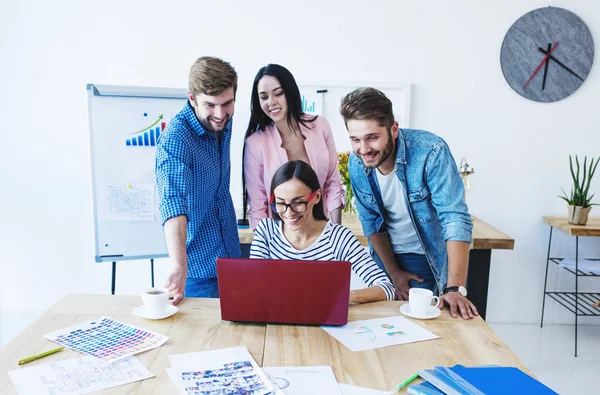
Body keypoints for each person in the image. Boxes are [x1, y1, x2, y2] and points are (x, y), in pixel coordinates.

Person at [339, 87, 477, 319]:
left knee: (432, 327)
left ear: (393, 129)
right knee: (382, 327)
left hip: (428, 255)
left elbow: (454, 217)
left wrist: (454, 288)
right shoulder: (356, 162)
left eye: (372, 137)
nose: (364, 149)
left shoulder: (431, 152)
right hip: (386, 257)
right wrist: (393, 273)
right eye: (355, 140)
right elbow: (371, 222)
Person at [155, 56, 240, 304]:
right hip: (198, 274)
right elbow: (173, 202)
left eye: (227, 103)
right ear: (192, 98)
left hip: (232, 261)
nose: (220, 114)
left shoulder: (223, 120)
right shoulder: (176, 138)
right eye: (210, 105)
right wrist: (178, 267)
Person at [250, 160, 395, 304]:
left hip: (323, 323)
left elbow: (387, 288)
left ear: (317, 197)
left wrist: (344, 297)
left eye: (298, 203)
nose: (289, 213)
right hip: (277, 321)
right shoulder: (266, 230)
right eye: (281, 203)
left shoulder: (338, 238)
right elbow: (254, 285)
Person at [243, 64, 345, 230]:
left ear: (290, 92)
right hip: (280, 240)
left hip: (322, 231)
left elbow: (333, 184)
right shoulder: (255, 143)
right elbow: (258, 205)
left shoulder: (320, 126)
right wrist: (266, 248)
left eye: (278, 93)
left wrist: (336, 235)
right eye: (264, 97)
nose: (271, 102)